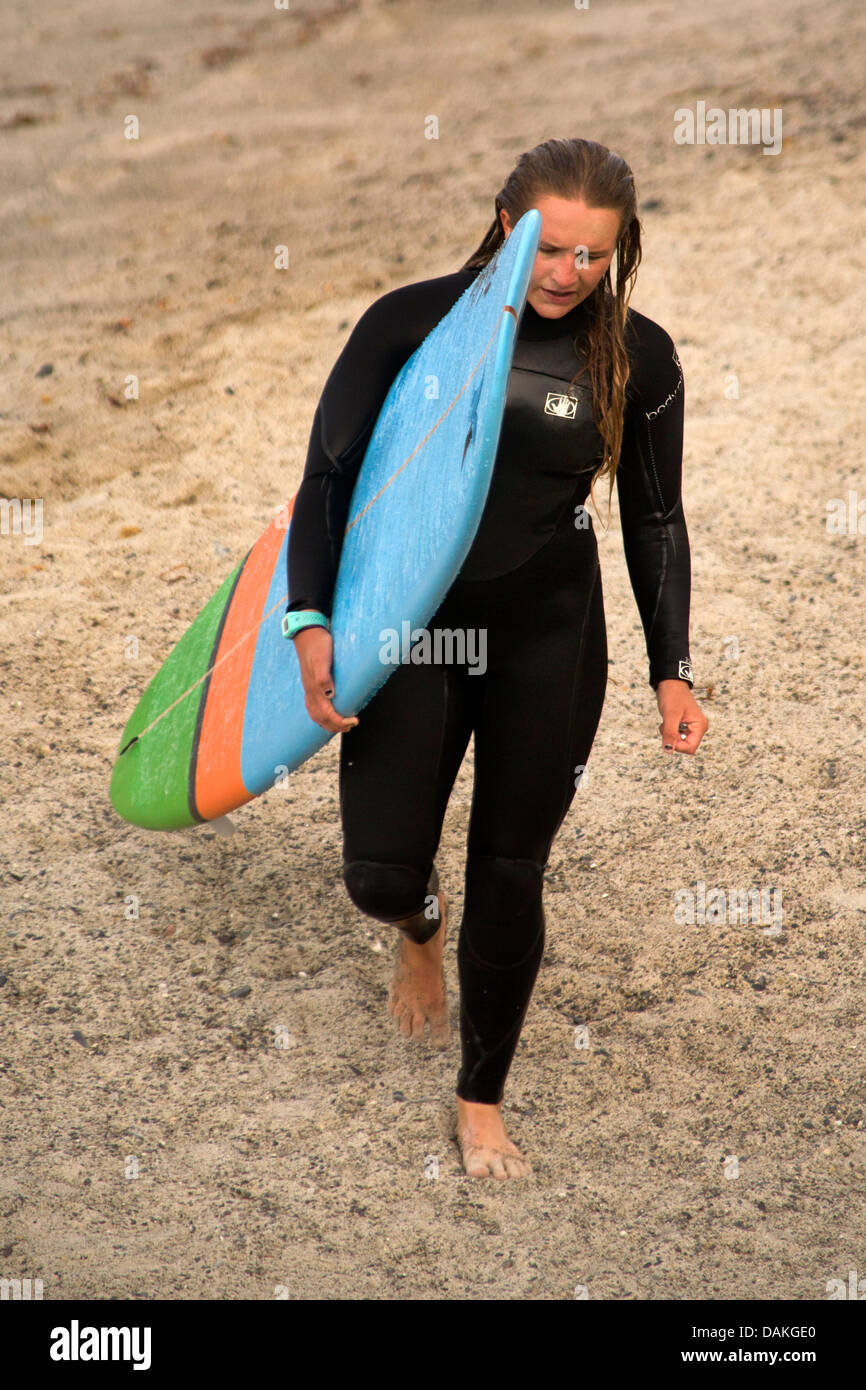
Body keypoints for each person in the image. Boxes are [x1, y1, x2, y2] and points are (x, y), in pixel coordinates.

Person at [284, 137, 708, 1180]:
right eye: (550, 248)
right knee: (379, 874)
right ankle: (417, 927)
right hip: (411, 624)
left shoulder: (634, 358)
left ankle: (481, 1099)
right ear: (505, 222)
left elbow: (655, 518)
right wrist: (310, 620)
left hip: (548, 633)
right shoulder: (408, 322)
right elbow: (328, 477)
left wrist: (672, 670)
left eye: (594, 258)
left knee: (510, 869)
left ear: (621, 252)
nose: (568, 275)